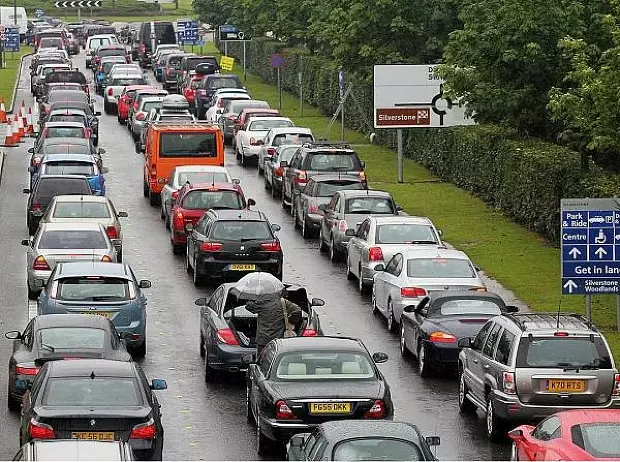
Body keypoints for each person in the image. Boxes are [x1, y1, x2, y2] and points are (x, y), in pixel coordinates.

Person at [245, 289, 303, 354]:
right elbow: (298, 310)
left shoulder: (260, 303)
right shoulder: (283, 302)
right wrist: (290, 321)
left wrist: (252, 298)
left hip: (263, 339)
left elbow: (248, 306)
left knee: (261, 360)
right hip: (279, 339)